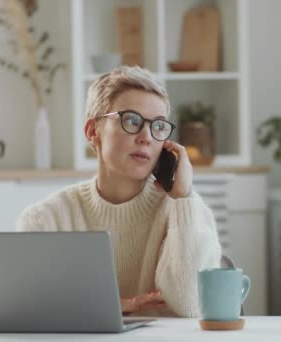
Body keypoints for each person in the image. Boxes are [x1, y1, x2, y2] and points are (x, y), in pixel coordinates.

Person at [16, 66, 222, 317]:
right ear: (93, 132)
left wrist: (182, 199)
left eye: (158, 126)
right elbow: (32, 314)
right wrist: (113, 308)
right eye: (132, 120)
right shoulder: (45, 220)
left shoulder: (188, 212)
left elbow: (190, 308)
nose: (146, 137)